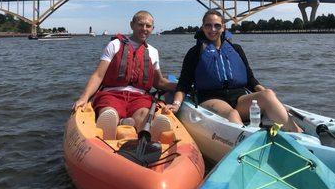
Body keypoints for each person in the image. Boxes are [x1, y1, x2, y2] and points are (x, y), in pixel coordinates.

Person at [164, 10, 302, 132]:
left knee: (268, 94)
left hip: (239, 98)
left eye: (217, 25)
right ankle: (250, 145)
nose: (213, 29)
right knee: (232, 114)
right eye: (208, 25)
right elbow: (184, 84)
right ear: (203, 27)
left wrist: (271, 99)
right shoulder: (194, 53)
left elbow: (250, 80)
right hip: (211, 98)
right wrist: (176, 105)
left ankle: (299, 135)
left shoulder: (236, 49)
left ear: (223, 28)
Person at [73, 10, 176, 139]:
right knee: (110, 112)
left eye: (148, 26)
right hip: (112, 93)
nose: (144, 29)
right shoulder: (114, 45)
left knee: (144, 113)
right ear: (132, 25)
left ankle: (148, 133)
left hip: (139, 96)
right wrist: (84, 97)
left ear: (152, 28)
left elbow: (159, 82)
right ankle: (112, 129)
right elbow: (98, 75)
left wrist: (181, 86)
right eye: (140, 24)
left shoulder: (153, 52)